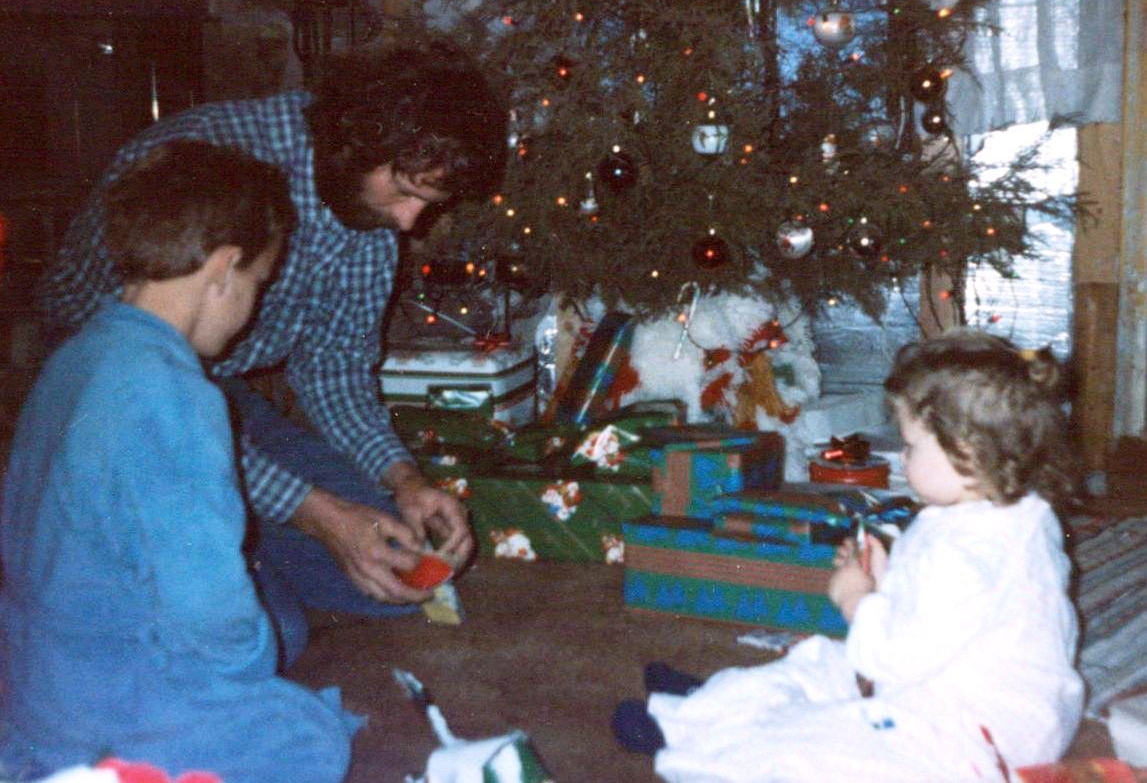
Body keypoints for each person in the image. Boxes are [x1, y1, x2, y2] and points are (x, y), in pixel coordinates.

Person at [38, 40, 506, 658]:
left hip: (218, 394)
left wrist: (403, 479)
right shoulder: (204, 167)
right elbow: (149, 405)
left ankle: (243, 541)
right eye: (402, 190)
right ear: (357, 143)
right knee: (270, 634)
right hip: (107, 399)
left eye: (428, 203)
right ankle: (224, 554)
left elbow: (334, 372)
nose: (408, 222)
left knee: (394, 569)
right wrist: (316, 512)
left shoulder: (368, 217)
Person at [0, 141, 360, 782]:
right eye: (257, 284)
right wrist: (248, 676)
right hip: (109, 697)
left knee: (278, 639)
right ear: (223, 269)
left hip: (31, 677)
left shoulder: (74, 357)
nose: (253, 308)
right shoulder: (175, 394)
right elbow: (207, 604)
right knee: (310, 738)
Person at [611, 328, 1084, 782]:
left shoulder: (963, 556)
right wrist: (889, 579)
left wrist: (858, 600)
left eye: (911, 446)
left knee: (812, 745)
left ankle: (697, 731)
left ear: (967, 453)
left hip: (966, 740)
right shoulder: (1019, 516)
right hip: (999, 711)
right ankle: (707, 706)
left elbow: (895, 660)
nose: (903, 458)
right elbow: (951, 616)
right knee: (821, 660)